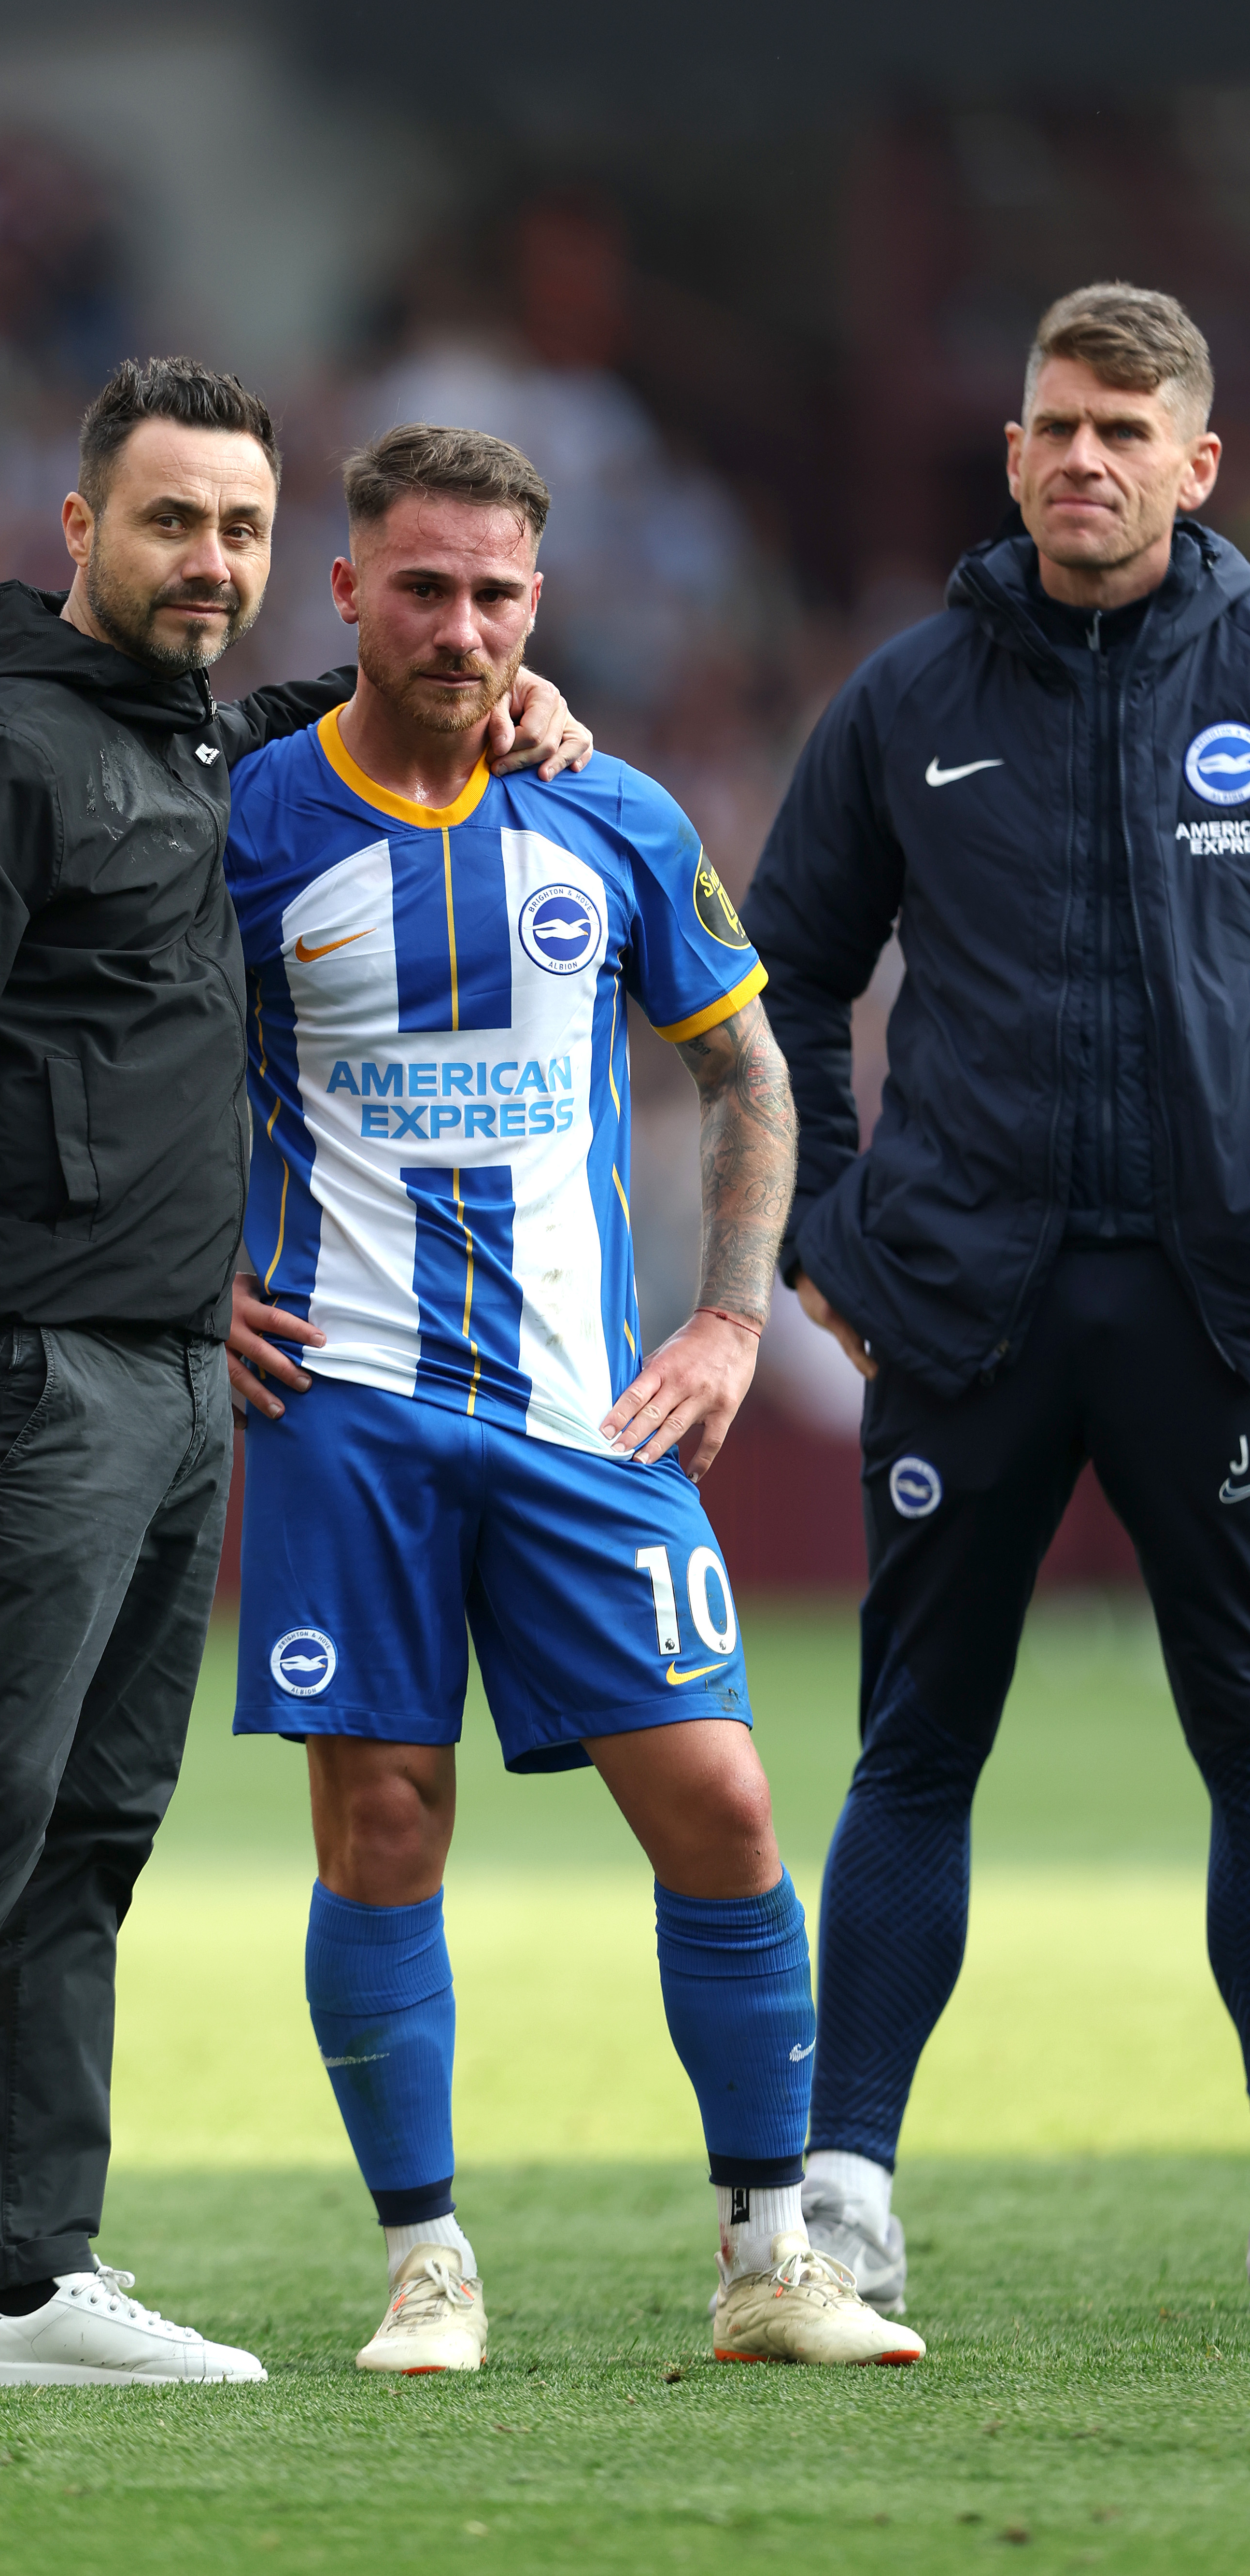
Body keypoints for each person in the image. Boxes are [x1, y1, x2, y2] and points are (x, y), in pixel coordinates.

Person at [0, 358, 588, 2402]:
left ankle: (35, 2264)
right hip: (26, 1373)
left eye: (238, 530)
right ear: (80, 529)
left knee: (94, 1826)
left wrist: (512, 702)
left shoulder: (177, 742)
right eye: (169, 521)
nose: (208, 561)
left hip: (174, 1379)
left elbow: (289, 735)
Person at [223, 421, 922, 2371]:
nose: (458, 625)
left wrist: (719, 1320)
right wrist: (187, 1278)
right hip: (341, 1402)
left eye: (494, 592)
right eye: (421, 586)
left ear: (542, 602)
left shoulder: (607, 811)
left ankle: (769, 2252)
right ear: (347, 589)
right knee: (382, 1821)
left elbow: (756, 1073)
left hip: (575, 1411)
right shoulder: (251, 820)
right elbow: (107, 1059)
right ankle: (423, 2261)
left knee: (719, 1799)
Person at [744, 282, 1250, 2310]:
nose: (1080, 458)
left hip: (1217, 1311)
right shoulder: (907, 696)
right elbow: (767, 972)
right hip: (966, 1308)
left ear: (1193, 460)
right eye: (1051, 425)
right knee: (913, 1744)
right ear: (1014, 449)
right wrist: (827, 1232)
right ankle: (845, 2176)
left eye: (1122, 428)